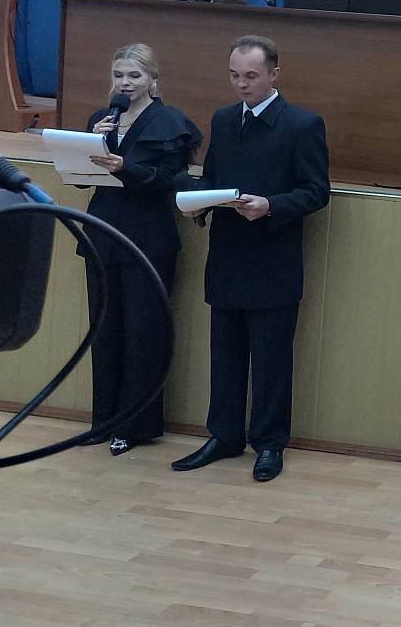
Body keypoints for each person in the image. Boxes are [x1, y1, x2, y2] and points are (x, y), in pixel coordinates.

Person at [171, 35, 329, 482]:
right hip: (227, 256)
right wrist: (199, 204)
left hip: (273, 260)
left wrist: (271, 205)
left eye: (251, 76)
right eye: (235, 76)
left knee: (271, 361)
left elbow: (317, 191)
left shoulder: (302, 124)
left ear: (274, 74)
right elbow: (214, 179)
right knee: (225, 356)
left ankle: (270, 443)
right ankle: (223, 435)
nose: (242, 84)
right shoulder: (224, 120)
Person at [76, 44, 202, 455]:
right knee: (104, 331)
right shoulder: (101, 119)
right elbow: (80, 178)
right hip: (102, 234)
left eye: (134, 75)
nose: (125, 83)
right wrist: (87, 147)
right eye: (119, 75)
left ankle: (135, 426)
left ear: (152, 79)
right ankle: (104, 421)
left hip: (148, 237)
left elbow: (170, 180)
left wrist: (125, 167)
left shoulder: (171, 121)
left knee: (143, 334)